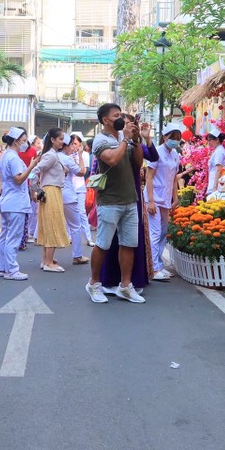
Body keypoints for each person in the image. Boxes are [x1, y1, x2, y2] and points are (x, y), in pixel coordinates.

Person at [86, 104, 145, 304]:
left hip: (130, 199)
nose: (121, 119)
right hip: (110, 200)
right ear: (105, 120)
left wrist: (135, 139)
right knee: (103, 244)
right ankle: (94, 283)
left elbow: (139, 163)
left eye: (121, 115)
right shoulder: (100, 140)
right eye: (117, 115)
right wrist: (126, 139)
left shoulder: (124, 139)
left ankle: (125, 286)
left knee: (128, 244)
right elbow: (111, 159)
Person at [99, 113, 157, 295]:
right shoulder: (108, 142)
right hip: (113, 195)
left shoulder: (132, 143)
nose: (127, 127)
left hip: (133, 195)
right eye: (124, 123)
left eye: (130, 124)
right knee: (110, 239)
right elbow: (108, 162)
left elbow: (152, 157)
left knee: (131, 240)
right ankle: (107, 280)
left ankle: (131, 280)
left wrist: (144, 139)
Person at [0, 127, 38, 281]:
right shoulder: (13, 158)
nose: (26, 144)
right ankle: (11, 270)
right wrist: (32, 166)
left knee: (5, 236)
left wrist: (2, 188)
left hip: (7, 201)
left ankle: (2, 268)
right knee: (13, 237)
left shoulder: (7, 155)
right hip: (15, 204)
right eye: (24, 140)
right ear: (16, 140)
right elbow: (19, 178)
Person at [146, 122, 184, 281]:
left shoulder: (176, 155)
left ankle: (159, 265)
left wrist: (176, 197)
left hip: (166, 198)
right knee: (154, 233)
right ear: (164, 137)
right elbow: (148, 176)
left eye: (177, 137)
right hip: (154, 196)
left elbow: (174, 178)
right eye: (172, 137)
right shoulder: (156, 152)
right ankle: (153, 268)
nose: (175, 140)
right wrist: (151, 201)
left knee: (163, 233)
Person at [30, 128, 70, 272]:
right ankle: (48, 262)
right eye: (60, 139)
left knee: (48, 225)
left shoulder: (51, 155)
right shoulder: (51, 156)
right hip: (51, 191)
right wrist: (37, 189)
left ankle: (46, 260)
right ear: (52, 140)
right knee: (53, 224)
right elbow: (34, 172)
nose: (62, 142)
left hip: (52, 191)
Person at [62, 134, 89, 264]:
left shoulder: (51, 156)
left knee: (51, 225)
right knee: (76, 226)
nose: (73, 147)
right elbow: (82, 171)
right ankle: (77, 255)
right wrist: (79, 156)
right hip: (68, 195)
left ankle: (47, 259)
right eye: (71, 144)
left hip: (54, 194)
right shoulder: (67, 159)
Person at [17, 134, 39, 249]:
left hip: (29, 183)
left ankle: (27, 235)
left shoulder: (32, 152)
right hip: (19, 185)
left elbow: (34, 172)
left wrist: (33, 189)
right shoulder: (13, 154)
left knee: (31, 211)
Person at [205, 130, 225, 196]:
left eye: (210, 140)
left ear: (217, 140)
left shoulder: (219, 152)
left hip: (217, 186)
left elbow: (218, 170)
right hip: (216, 184)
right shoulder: (218, 150)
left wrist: (214, 188)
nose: (208, 142)